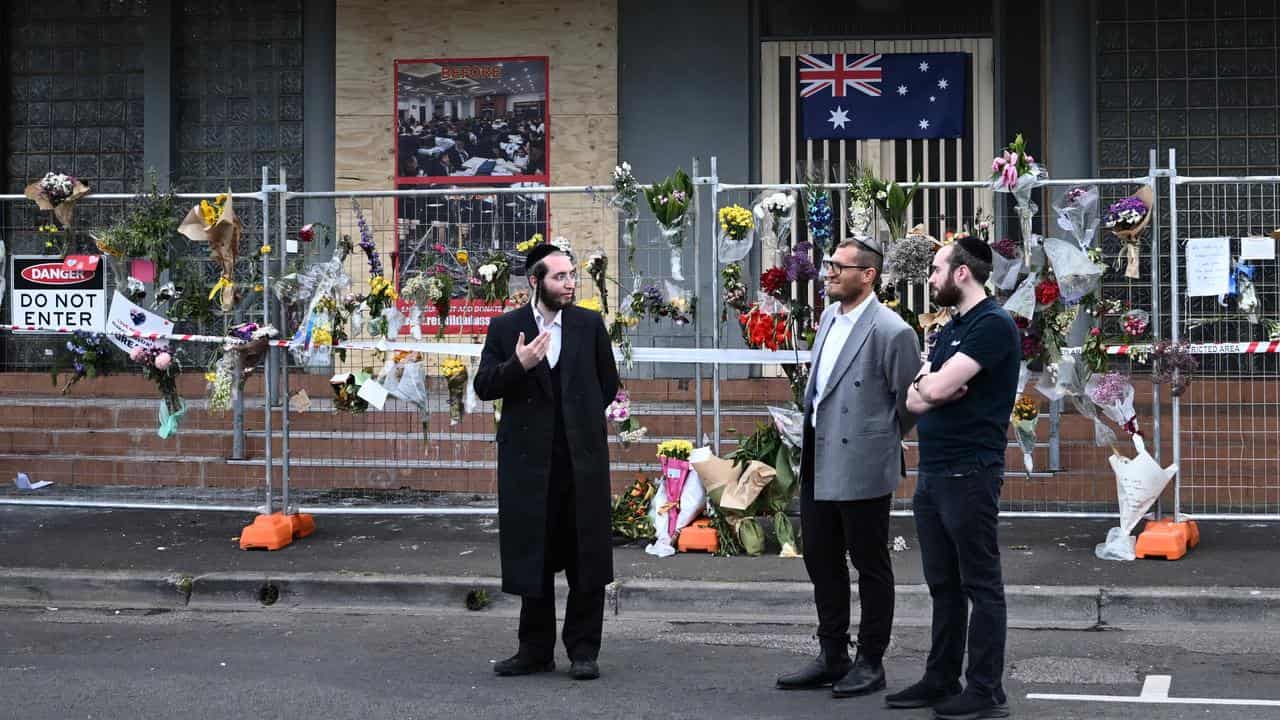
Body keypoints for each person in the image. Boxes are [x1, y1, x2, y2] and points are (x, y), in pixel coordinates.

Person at [776, 236, 921, 698]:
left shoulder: (892, 330)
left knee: (869, 563)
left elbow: (909, 402)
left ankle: (871, 661)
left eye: (839, 266)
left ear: (868, 275)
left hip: (863, 461)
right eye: (828, 265)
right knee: (821, 559)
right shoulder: (826, 318)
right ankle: (832, 653)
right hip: (819, 457)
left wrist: (875, 438)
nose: (829, 272)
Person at [473, 242, 620, 682]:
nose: (570, 283)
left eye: (572, 275)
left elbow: (608, 384)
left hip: (581, 462)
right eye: (560, 276)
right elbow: (483, 386)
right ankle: (534, 651)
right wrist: (518, 364)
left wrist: (579, 422)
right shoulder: (506, 327)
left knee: (585, 558)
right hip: (528, 465)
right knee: (532, 557)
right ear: (536, 282)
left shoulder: (589, 325)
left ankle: (583, 651)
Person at [889, 236, 1019, 720]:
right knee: (942, 584)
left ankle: (985, 691)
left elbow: (935, 386)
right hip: (934, 472)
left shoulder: (992, 325)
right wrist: (932, 389)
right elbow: (917, 397)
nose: (931, 277)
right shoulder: (951, 328)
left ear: (962, 272)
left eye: (938, 269)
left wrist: (933, 387)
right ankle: (941, 677)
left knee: (981, 586)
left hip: (971, 473)